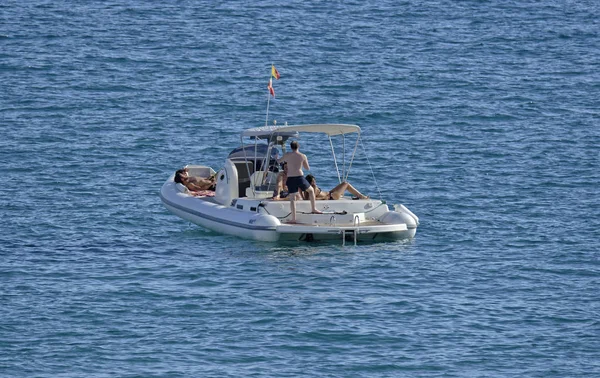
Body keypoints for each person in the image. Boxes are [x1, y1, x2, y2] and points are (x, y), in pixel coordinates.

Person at [277, 141, 322, 223]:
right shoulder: (302, 156)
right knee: (311, 190)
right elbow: (307, 168)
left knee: (292, 198)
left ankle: (293, 219)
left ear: (291, 147)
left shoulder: (287, 155)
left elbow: (279, 161)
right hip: (299, 177)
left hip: (290, 178)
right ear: (298, 147)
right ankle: (313, 208)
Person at [304, 174, 369, 200]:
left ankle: (360, 196)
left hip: (329, 193)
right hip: (331, 196)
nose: (315, 182)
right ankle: (361, 196)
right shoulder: (314, 187)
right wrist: (324, 197)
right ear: (310, 182)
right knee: (346, 184)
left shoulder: (307, 189)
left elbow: (309, 198)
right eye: (313, 181)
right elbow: (313, 199)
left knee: (344, 184)